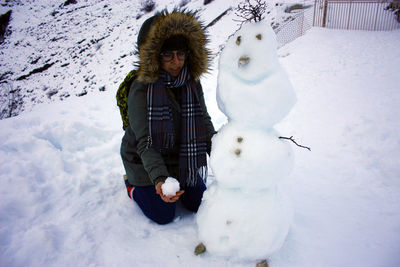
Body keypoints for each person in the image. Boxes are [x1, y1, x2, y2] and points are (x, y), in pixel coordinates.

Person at [120, 10, 216, 225]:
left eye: (181, 54)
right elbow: (145, 142)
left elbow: (203, 121)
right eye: (168, 55)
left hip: (180, 156)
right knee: (163, 214)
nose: (176, 62)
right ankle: (132, 186)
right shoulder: (141, 90)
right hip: (142, 158)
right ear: (154, 55)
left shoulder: (191, 81)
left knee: (199, 203)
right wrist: (160, 179)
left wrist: (221, 153)